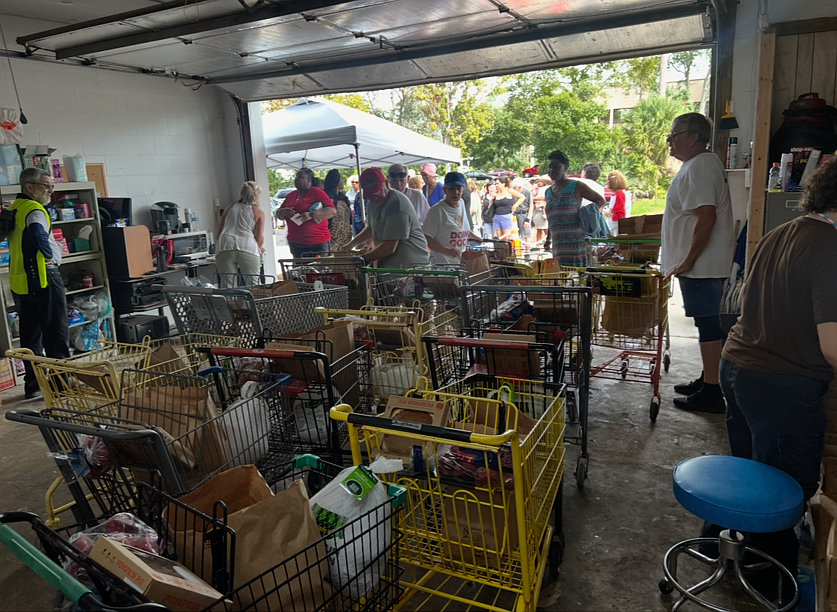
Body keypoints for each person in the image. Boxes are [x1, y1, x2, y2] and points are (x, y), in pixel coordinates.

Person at [703, 158, 837, 601]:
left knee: (749, 471)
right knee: (783, 489)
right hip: (782, 383)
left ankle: (717, 543)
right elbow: (832, 344)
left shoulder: (784, 232)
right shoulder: (830, 248)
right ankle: (767, 583)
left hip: (740, 367)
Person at [662, 113, 735, 413]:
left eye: (673, 135)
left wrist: (687, 260)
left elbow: (706, 217)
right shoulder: (699, 165)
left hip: (701, 265)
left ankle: (712, 392)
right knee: (705, 324)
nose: (669, 141)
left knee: (708, 326)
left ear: (693, 136)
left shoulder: (700, 166)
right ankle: (708, 379)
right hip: (699, 264)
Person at [8, 168, 70, 400]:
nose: (50, 190)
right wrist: (48, 254)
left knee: (30, 336)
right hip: (44, 277)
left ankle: (33, 384)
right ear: (30, 187)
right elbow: (36, 232)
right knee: (56, 332)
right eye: (46, 185)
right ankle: (60, 384)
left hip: (21, 281)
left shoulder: (14, 208)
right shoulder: (34, 209)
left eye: (52, 185)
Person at [341, 168, 430, 268]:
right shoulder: (372, 203)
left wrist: (364, 259)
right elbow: (371, 228)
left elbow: (389, 246)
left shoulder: (397, 205)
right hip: (391, 267)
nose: (375, 199)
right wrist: (350, 245)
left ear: (386, 185)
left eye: (377, 194)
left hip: (410, 267)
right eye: (370, 196)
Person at [544, 151, 606, 266]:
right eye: (550, 167)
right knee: (561, 275)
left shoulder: (576, 186)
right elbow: (552, 219)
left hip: (577, 243)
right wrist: (548, 239)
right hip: (558, 245)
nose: (552, 170)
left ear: (565, 168)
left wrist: (587, 216)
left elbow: (600, 200)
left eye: (557, 166)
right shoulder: (548, 192)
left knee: (577, 277)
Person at [423, 172, 482, 266]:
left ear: (463, 190)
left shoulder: (461, 203)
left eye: (459, 188)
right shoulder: (437, 211)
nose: (456, 192)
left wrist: (474, 236)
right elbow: (427, 238)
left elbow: (462, 227)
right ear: (445, 190)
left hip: (460, 263)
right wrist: (447, 250)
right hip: (442, 265)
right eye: (452, 189)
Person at [276, 168, 336, 258]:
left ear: (308, 180)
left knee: (317, 271)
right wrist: (282, 212)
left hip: (316, 242)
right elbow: (279, 215)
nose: (296, 179)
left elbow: (332, 211)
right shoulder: (291, 195)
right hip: (295, 242)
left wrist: (312, 215)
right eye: (296, 177)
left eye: (300, 177)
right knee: (299, 270)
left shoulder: (317, 192)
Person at [216, 181, 266, 286]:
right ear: (256, 196)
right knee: (254, 284)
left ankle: (230, 302)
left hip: (225, 245)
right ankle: (255, 302)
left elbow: (219, 232)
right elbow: (260, 238)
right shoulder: (258, 212)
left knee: (228, 285)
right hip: (248, 247)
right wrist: (259, 248)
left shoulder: (229, 207)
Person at [323, 169, 353, 251]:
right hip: (333, 235)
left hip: (346, 235)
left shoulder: (343, 197)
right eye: (341, 180)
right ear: (336, 182)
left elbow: (348, 217)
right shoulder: (326, 198)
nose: (343, 182)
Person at [491, 176, 525, 241]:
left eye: (498, 183)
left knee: (505, 237)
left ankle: (506, 250)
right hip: (497, 216)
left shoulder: (509, 191)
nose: (496, 185)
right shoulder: (497, 193)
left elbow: (522, 197)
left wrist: (515, 205)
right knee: (499, 237)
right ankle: (499, 250)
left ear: (503, 184)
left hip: (506, 215)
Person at [604, 171, 629, 236]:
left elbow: (621, 214)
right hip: (615, 226)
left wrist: (610, 214)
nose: (606, 182)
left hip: (618, 227)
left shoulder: (620, 194)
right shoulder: (617, 194)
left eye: (606, 180)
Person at [531, 175, 552, 247]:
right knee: (539, 228)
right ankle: (538, 244)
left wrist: (534, 199)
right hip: (537, 210)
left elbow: (545, 197)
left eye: (540, 181)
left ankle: (548, 242)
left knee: (547, 228)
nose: (539, 183)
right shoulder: (537, 189)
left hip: (545, 209)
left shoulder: (548, 188)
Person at [512, 178, 533, 248]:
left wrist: (528, 219)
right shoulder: (513, 191)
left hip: (524, 213)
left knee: (527, 235)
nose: (517, 189)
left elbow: (531, 205)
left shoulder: (527, 191)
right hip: (515, 214)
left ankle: (527, 253)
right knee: (515, 236)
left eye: (519, 187)